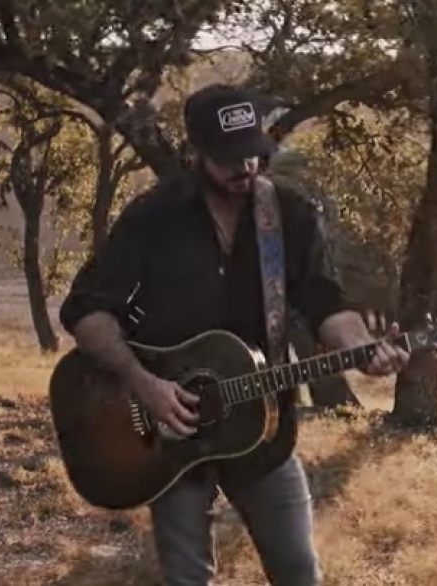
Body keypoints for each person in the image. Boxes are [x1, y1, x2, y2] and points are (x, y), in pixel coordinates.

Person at [58, 83, 410, 586]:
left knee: (298, 573)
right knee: (186, 578)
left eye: (254, 153)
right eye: (230, 158)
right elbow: (86, 310)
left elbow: (324, 302)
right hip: (170, 435)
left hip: (263, 430)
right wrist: (144, 384)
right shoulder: (153, 216)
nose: (246, 167)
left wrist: (361, 348)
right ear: (196, 152)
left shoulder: (289, 214)